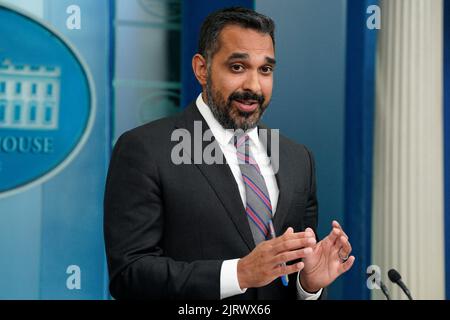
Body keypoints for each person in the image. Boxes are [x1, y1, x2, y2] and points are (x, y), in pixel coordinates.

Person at [104, 7, 354, 300]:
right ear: (202, 69)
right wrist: (240, 273)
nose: (253, 86)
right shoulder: (146, 149)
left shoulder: (298, 160)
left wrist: (309, 285)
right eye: (237, 67)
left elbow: (292, 272)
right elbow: (129, 275)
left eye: (265, 70)